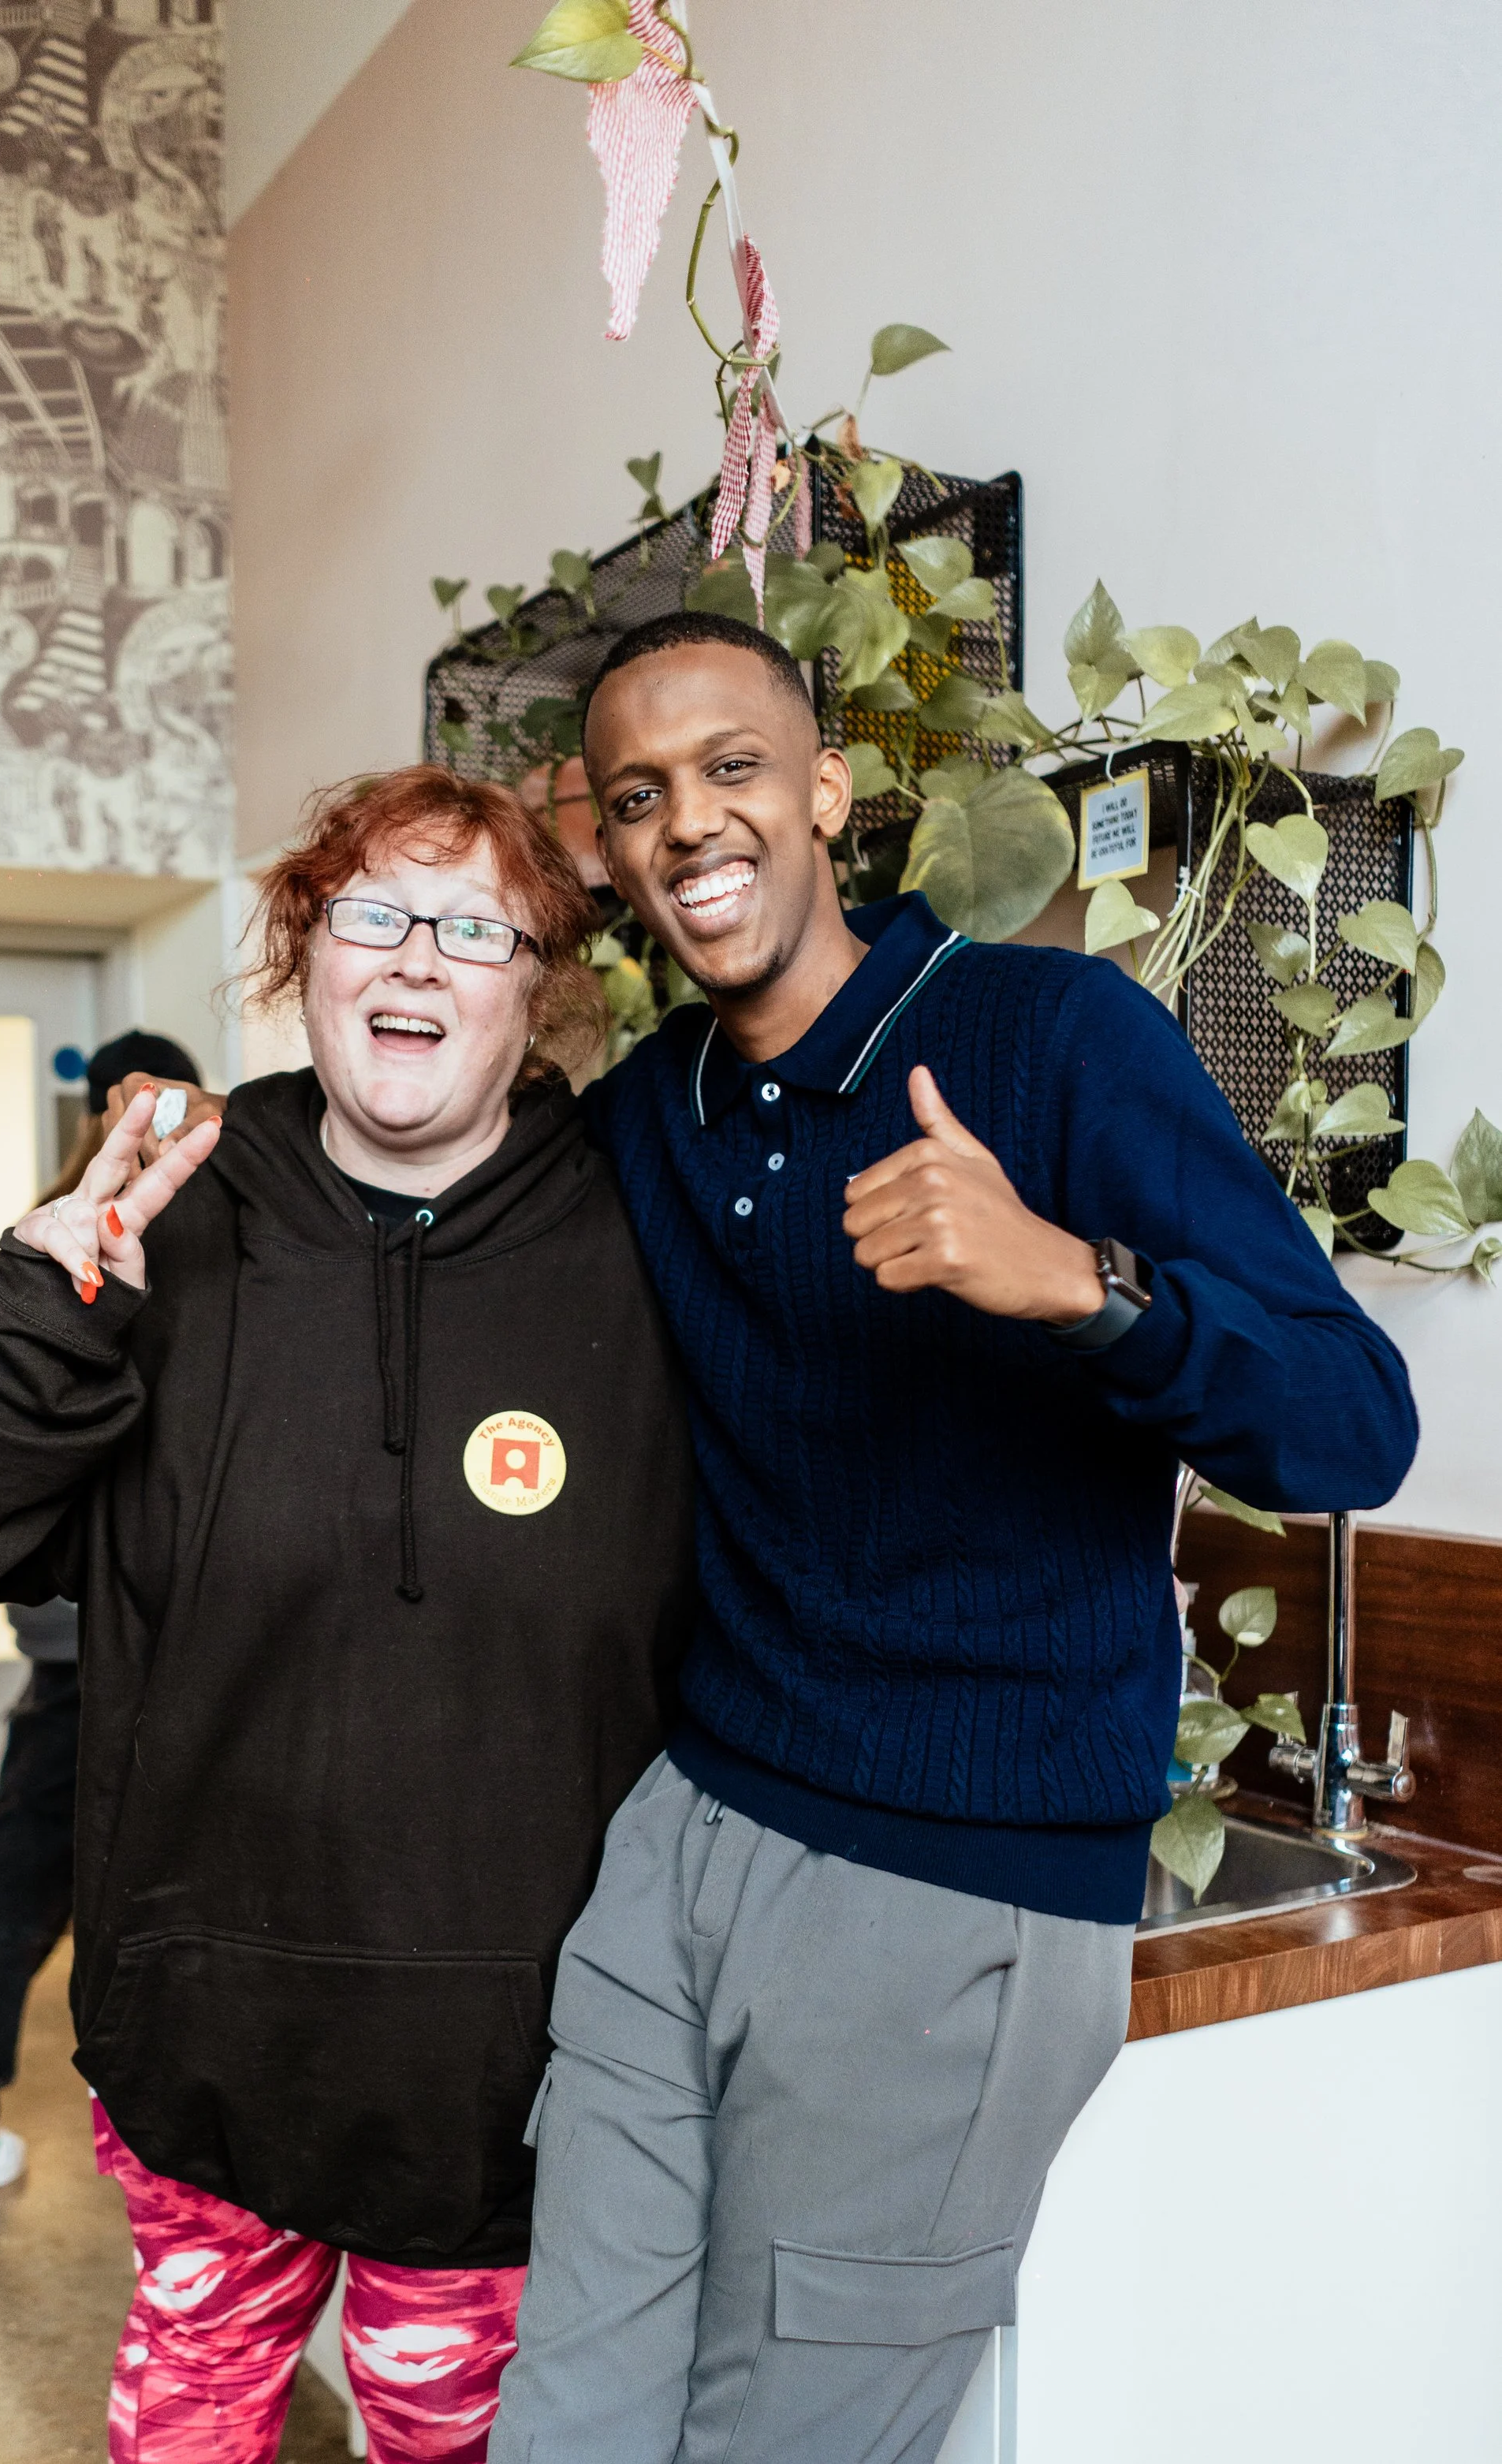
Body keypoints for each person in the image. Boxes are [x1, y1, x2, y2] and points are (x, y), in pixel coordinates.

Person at [478, 612, 1419, 2464]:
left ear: (824, 791)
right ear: (604, 841)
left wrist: (1077, 1282)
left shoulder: (1048, 1034)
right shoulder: (643, 1127)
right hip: (680, 1836)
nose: (690, 823)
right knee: (566, 2412)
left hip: (946, 1896)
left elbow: (1350, 1420)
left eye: (732, 767)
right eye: (640, 794)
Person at [0, 768, 694, 2462]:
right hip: (201, 2034)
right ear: (303, 954)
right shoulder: (175, 1206)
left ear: (539, 989)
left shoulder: (637, 1228)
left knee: (450, 2439)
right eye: (370, 912)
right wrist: (41, 1300)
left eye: (474, 928)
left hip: (506, 2066)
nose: (418, 961)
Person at [0, 1031, 201, 2194]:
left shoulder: (49, 1218)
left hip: (63, 1640)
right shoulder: (173, 1228)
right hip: (143, 1635)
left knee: (21, 1879)